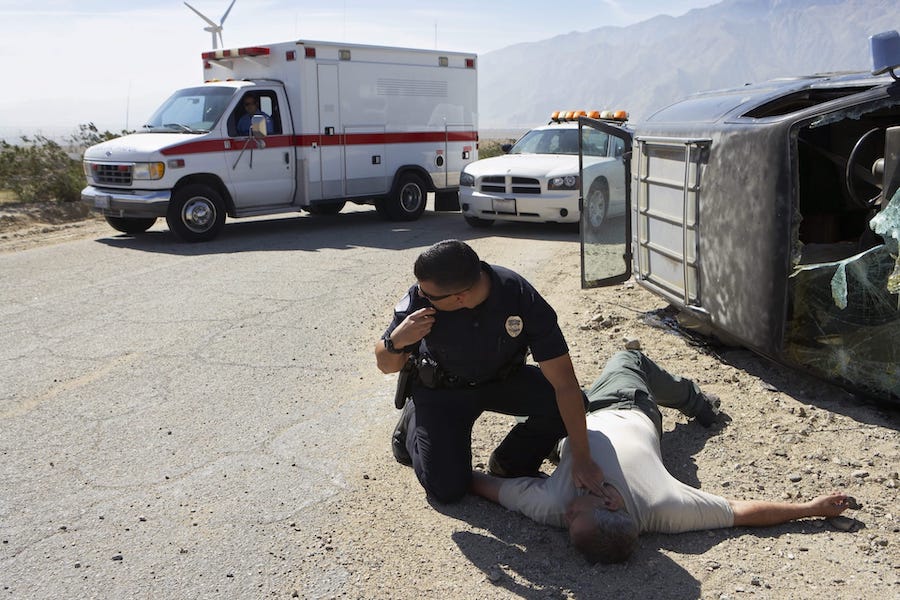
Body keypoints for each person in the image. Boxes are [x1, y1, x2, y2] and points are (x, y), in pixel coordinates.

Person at [470, 350, 857, 564]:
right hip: (625, 405)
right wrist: (810, 508)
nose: (567, 513)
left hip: (566, 426)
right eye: (577, 515)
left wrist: (441, 468)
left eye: (569, 522)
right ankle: (696, 400)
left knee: (530, 404)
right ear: (612, 502)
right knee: (627, 359)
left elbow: (482, 484)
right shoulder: (665, 506)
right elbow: (742, 512)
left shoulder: (556, 506)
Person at [375, 239, 606, 504]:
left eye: (428, 294)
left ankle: (509, 463)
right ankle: (412, 421)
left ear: (459, 297)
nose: (420, 293)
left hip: (501, 381)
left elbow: (564, 382)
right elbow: (385, 364)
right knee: (447, 490)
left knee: (570, 404)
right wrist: (397, 341)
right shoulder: (420, 298)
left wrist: (583, 458)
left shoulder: (518, 295)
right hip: (443, 392)